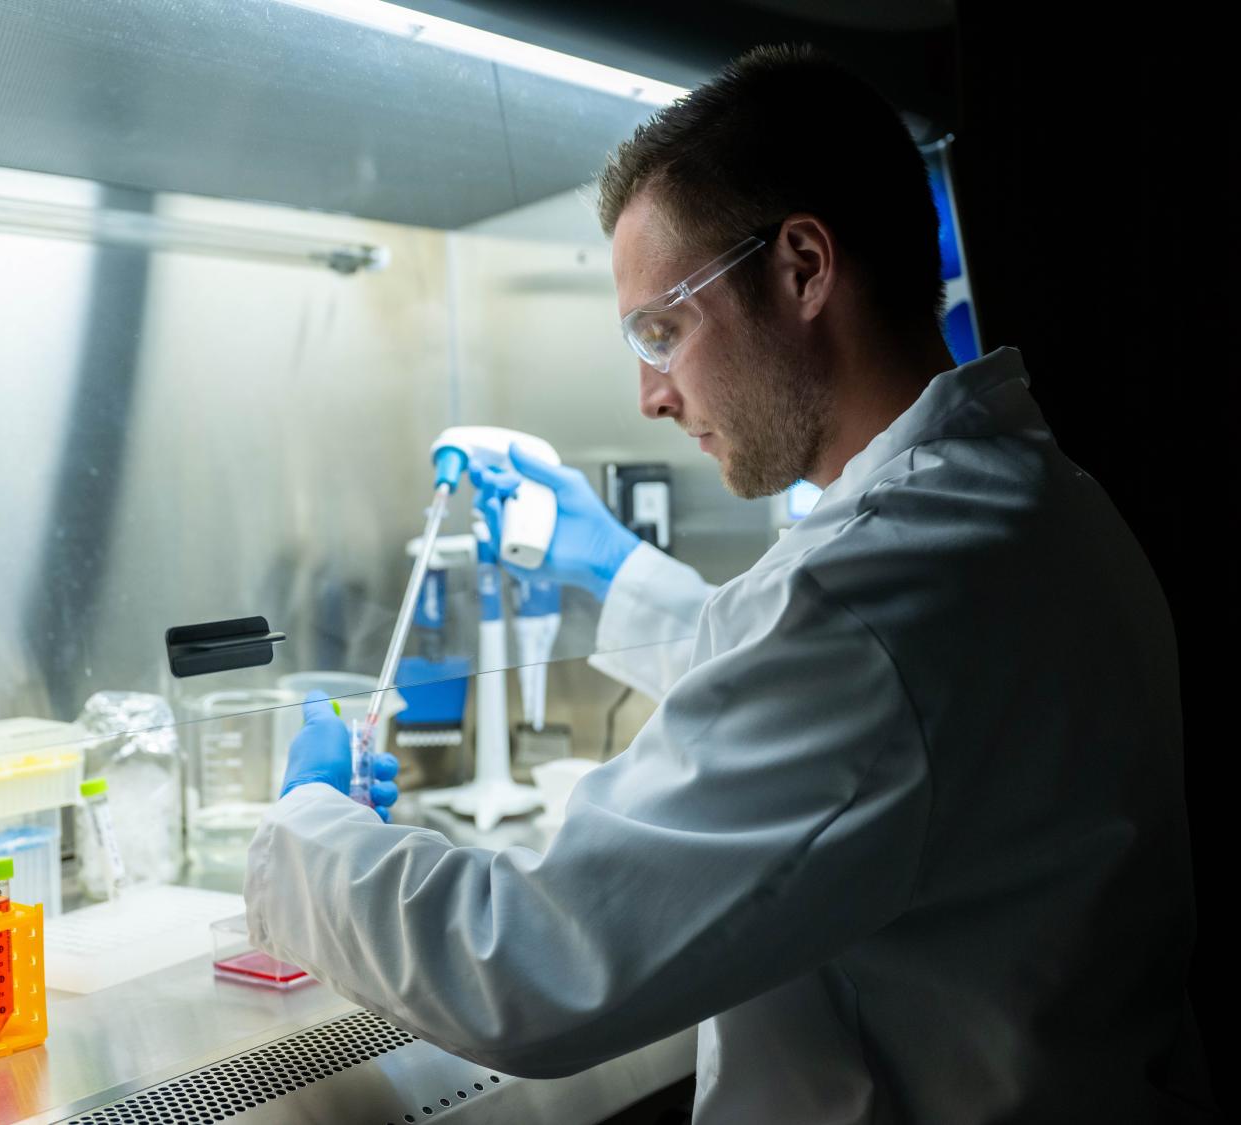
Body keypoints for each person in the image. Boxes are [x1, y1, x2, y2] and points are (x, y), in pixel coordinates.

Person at [245, 44, 1215, 1122]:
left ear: (803, 267)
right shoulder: (1025, 501)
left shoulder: (876, 597)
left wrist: (305, 825)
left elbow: (524, 970)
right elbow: (851, 722)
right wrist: (610, 567)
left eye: (663, 330)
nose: (651, 394)